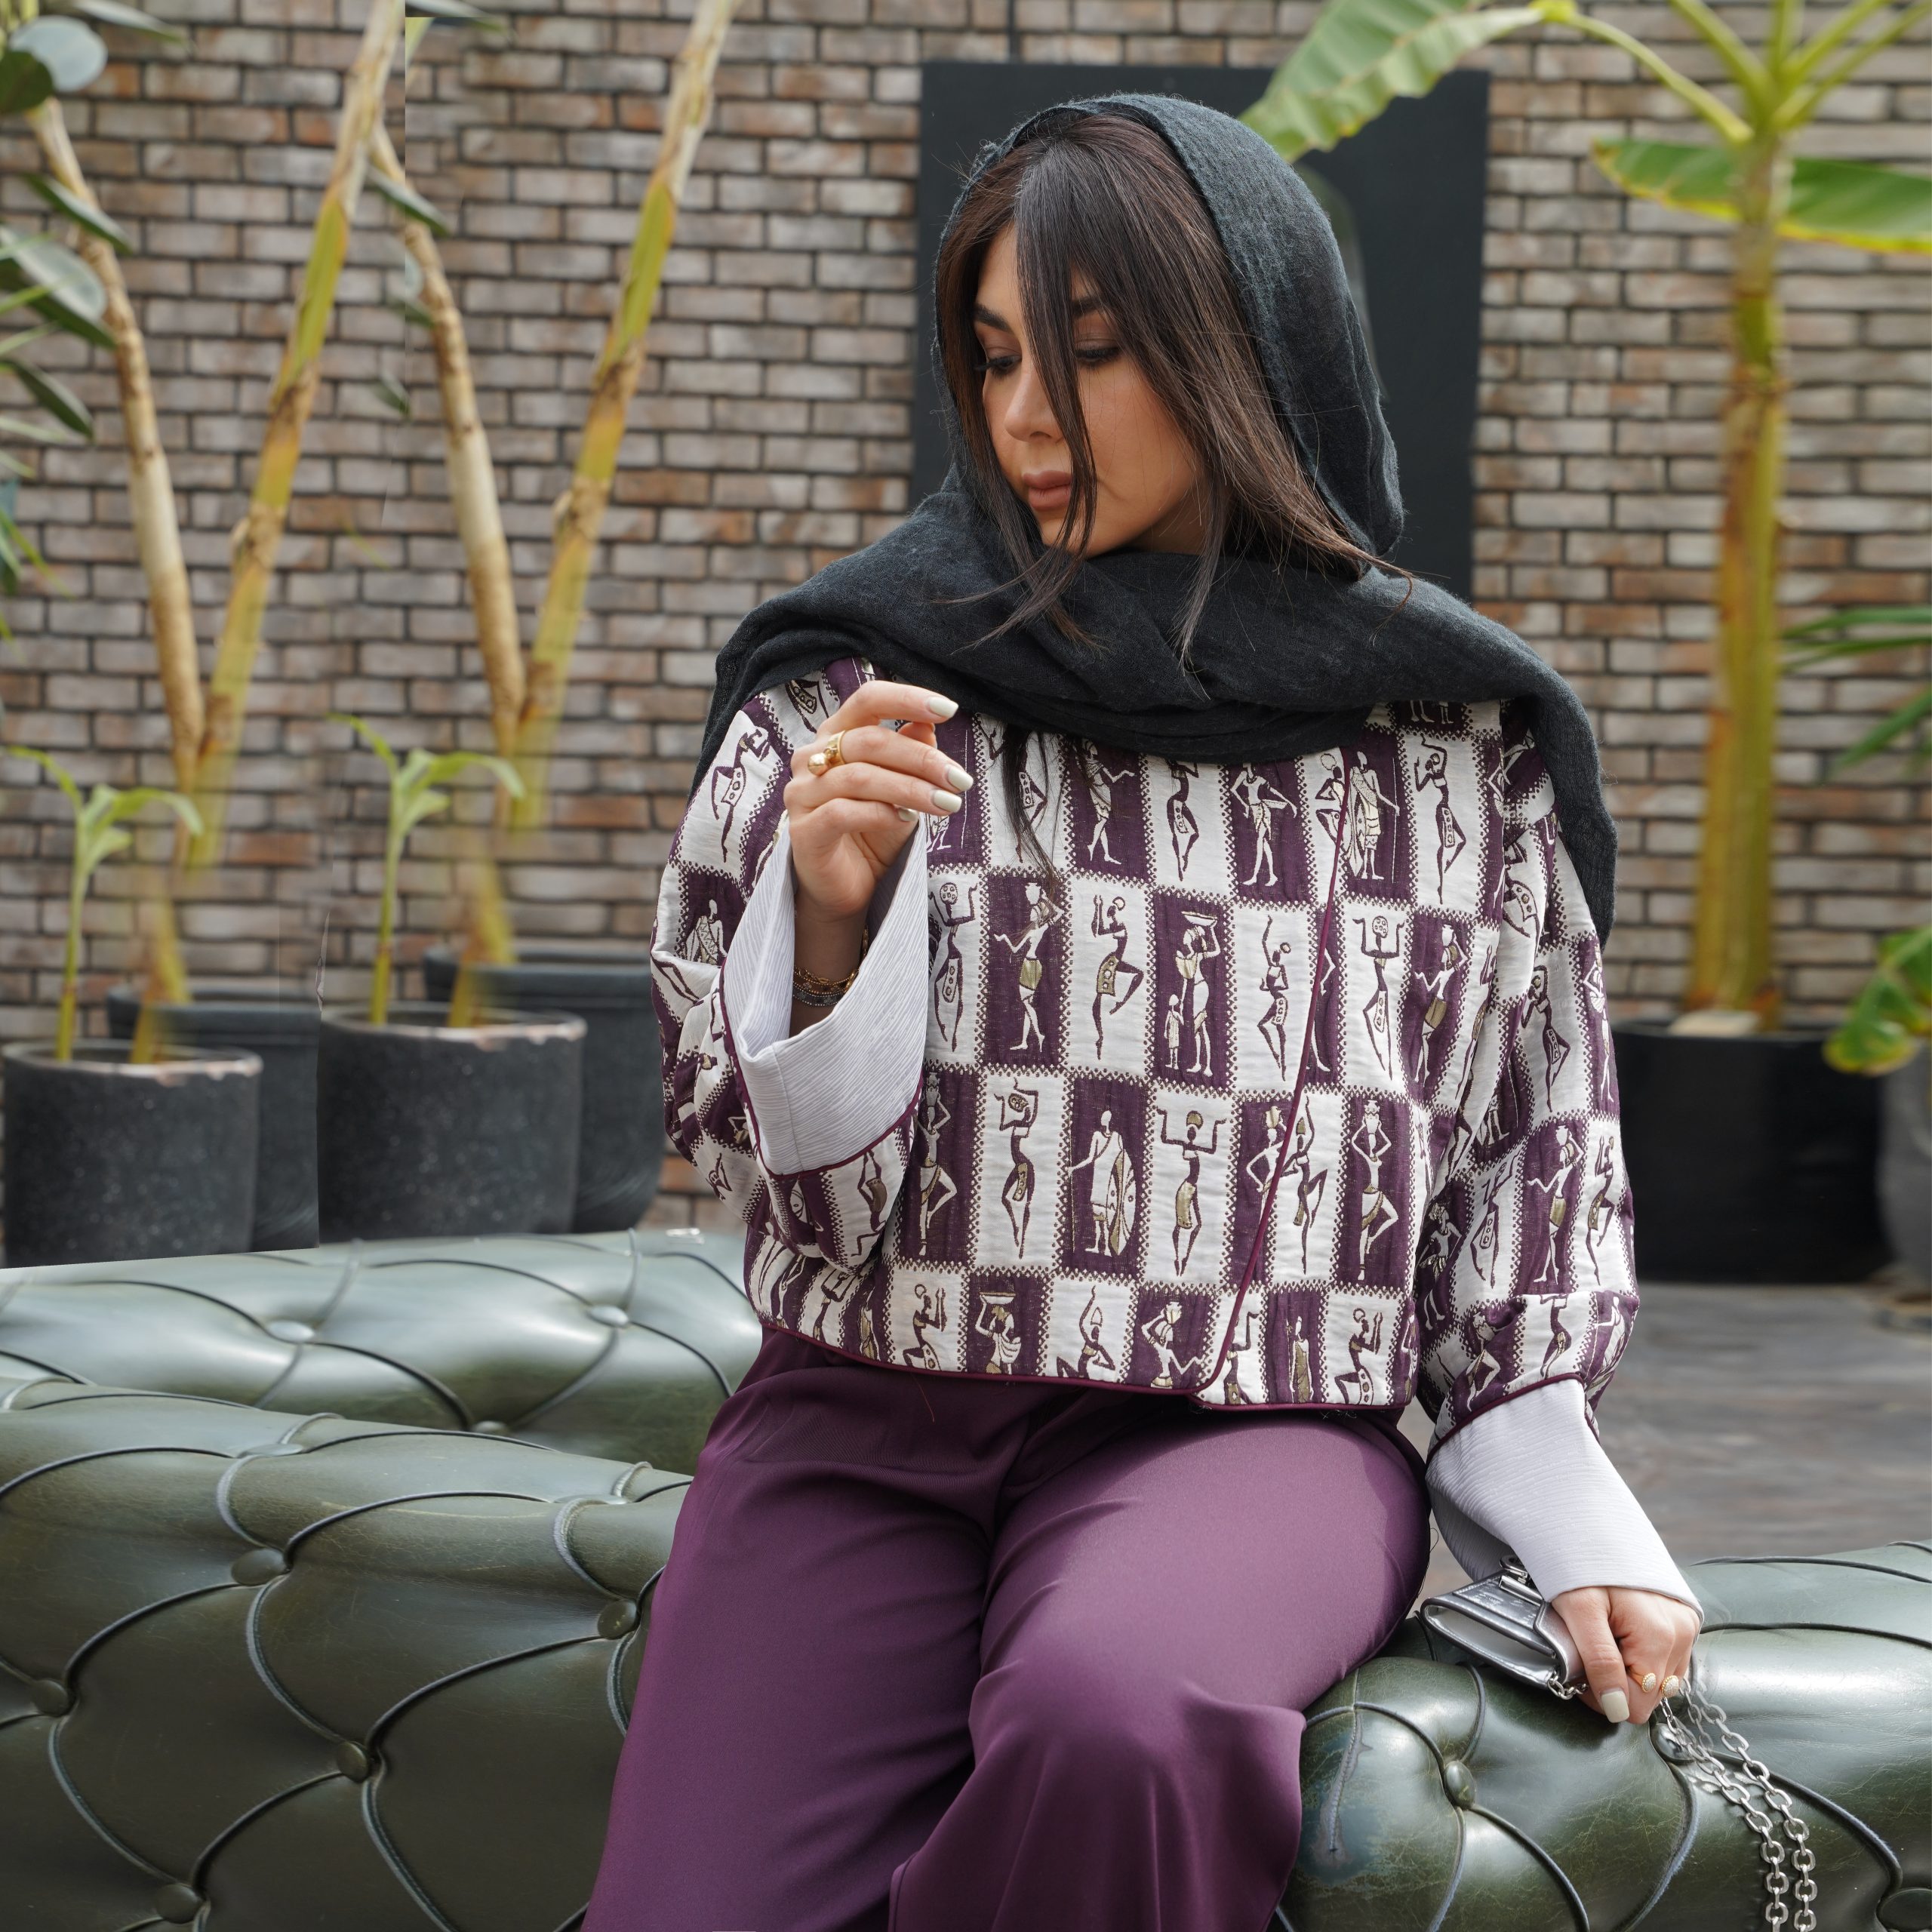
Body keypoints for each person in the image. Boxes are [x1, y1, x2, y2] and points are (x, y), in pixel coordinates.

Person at [585, 92, 1700, 1932]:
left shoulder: (1453, 748)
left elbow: (1531, 1136)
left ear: (1244, 347)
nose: (1026, 417)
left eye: (1091, 353)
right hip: (864, 1418)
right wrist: (833, 919)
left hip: (1249, 1424)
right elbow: (751, 1163)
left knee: (1119, 1719)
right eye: (995, 356)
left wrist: (1560, 1500)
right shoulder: (856, 695)